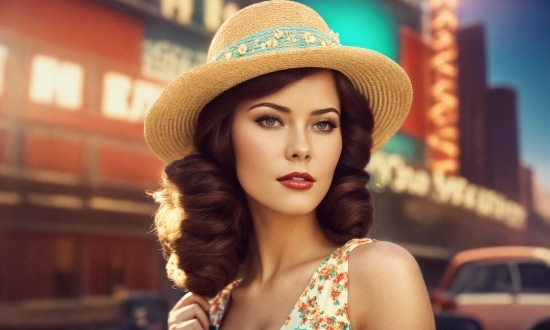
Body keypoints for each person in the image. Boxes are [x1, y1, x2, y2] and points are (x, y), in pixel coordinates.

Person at [144, 1, 435, 329]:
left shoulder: (378, 275)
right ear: (223, 139)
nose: (301, 149)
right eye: (270, 120)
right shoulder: (214, 312)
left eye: (323, 124)